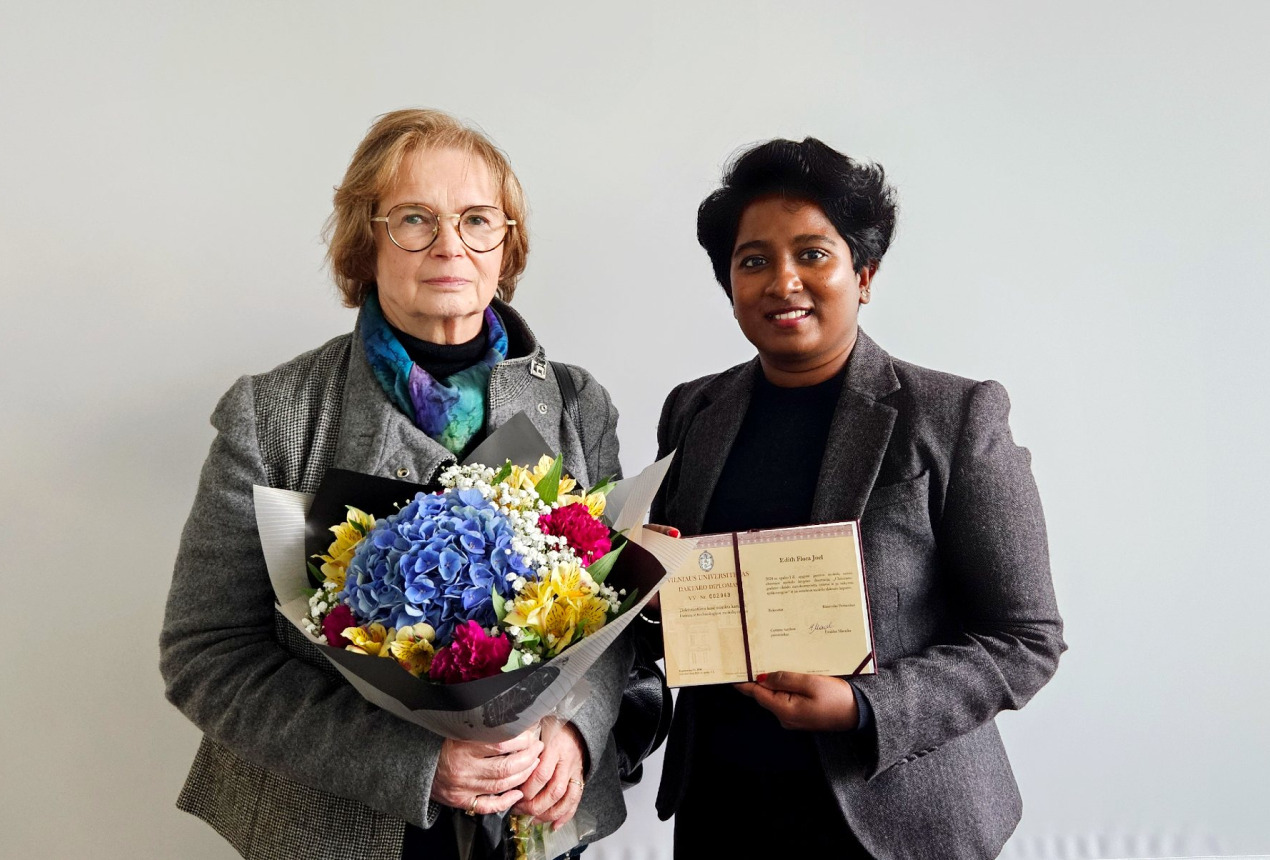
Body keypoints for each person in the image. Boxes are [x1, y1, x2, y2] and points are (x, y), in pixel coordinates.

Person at [160, 109, 651, 860]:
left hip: (534, 823)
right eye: (414, 219)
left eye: (477, 219)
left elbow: (618, 617)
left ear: (506, 240)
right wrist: (414, 763)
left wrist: (574, 728)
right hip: (334, 827)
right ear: (366, 240)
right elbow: (207, 652)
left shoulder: (579, 407)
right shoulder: (275, 416)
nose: (450, 245)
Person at [645, 138, 1066, 859]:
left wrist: (865, 707)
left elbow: (1026, 638)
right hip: (724, 811)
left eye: (813, 254)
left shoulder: (955, 416)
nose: (783, 282)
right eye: (754, 262)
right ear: (730, 285)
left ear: (863, 274)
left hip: (899, 822)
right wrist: (645, 593)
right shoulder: (694, 411)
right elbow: (679, 612)